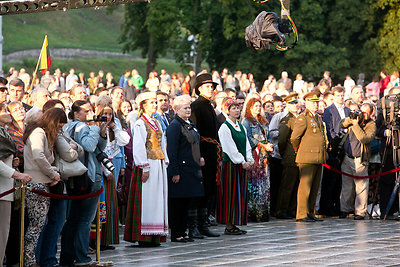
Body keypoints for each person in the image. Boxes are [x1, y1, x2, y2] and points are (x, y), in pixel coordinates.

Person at [60, 100, 107, 267]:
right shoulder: (80, 127)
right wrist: (95, 128)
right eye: (86, 111)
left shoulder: (75, 127)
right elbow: (88, 145)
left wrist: (102, 132)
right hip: (87, 176)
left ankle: (75, 255)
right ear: (76, 114)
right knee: (85, 219)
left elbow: (99, 148)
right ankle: (82, 256)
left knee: (78, 218)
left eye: (91, 110)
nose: (90, 114)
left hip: (82, 175)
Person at [124, 91, 169, 247]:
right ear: (143, 105)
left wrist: (165, 160)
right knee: (147, 199)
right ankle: (144, 235)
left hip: (158, 163)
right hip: (148, 164)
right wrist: (144, 166)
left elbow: (162, 143)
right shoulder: (140, 123)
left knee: (157, 199)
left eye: (155, 102)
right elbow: (138, 146)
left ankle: (155, 235)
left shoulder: (156, 122)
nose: (155, 105)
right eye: (151, 102)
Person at [23, 108, 67, 266]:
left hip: (42, 181)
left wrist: (52, 173)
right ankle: (28, 260)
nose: (59, 129)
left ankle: (30, 259)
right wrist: (52, 174)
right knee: (36, 226)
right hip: (36, 182)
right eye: (59, 125)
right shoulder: (38, 132)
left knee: (39, 224)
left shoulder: (41, 133)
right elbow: (38, 156)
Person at [166, 95, 205, 242]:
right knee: (178, 203)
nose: (188, 110)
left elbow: (195, 143)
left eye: (189, 107)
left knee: (187, 201)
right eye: (185, 108)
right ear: (176, 110)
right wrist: (174, 171)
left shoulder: (190, 123)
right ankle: (177, 233)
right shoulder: (175, 126)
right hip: (181, 170)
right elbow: (172, 151)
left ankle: (184, 231)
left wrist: (200, 156)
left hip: (192, 168)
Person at [0, 104, 32, 266]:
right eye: (4, 111)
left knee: (5, 232)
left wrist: (12, 160)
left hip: (8, 187)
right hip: (3, 187)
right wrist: (17, 173)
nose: (8, 114)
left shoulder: (3, 131)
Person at [190, 73, 220, 238]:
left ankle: (203, 224)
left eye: (212, 86)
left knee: (209, 189)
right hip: (202, 152)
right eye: (208, 86)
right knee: (199, 190)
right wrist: (199, 155)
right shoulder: (196, 106)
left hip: (212, 151)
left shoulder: (209, 105)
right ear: (199, 88)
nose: (211, 89)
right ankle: (193, 226)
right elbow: (195, 133)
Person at [218, 98, 254, 234]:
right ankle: (228, 225)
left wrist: (249, 159)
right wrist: (240, 160)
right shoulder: (225, 127)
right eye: (233, 108)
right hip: (230, 165)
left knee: (240, 194)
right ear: (228, 111)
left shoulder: (241, 127)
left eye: (238, 108)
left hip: (241, 165)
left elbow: (246, 145)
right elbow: (229, 147)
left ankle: (234, 223)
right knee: (230, 194)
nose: (237, 110)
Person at [97, 103, 130, 250]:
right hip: (101, 166)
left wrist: (114, 127)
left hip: (113, 163)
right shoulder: (95, 126)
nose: (108, 117)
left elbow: (125, 140)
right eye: (105, 113)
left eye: (110, 114)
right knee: (101, 203)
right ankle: (97, 239)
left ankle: (107, 239)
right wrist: (105, 170)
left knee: (111, 202)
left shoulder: (114, 127)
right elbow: (96, 150)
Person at [291, 91, 327, 222]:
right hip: (306, 157)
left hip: (318, 157)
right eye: (312, 103)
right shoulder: (303, 118)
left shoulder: (317, 117)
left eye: (316, 103)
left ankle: (311, 212)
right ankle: (301, 214)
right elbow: (294, 138)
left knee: (314, 187)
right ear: (306, 103)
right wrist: (298, 149)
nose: (315, 105)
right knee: (305, 187)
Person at [339, 103, 376, 220]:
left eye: (365, 112)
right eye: (361, 111)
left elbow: (365, 139)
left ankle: (360, 212)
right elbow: (341, 124)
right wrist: (351, 118)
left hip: (359, 158)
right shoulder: (355, 119)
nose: (362, 114)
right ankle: (345, 209)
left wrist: (355, 125)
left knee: (361, 187)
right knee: (347, 186)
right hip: (347, 157)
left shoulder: (371, 125)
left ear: (371, 114)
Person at [320, 86, 350, 217]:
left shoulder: (348, 110)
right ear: (334, 96)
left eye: (342, 95)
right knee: (330, 181)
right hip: (334, 149)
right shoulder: (329, 110)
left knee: (340, 181)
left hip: (346, 148)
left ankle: (339, 207)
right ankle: (327, 207)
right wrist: (336, 142)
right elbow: (329, 129)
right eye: (338, 95)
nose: (341, 97)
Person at [242, 98, 273, 222]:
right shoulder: (247, 121)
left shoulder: (263, 121)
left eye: (259, 106)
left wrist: (269, 145)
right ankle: (253, 213)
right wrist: (262, 144)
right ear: (249, 107)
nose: (258, 108)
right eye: (255, 106)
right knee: (255, 184)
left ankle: (263, 212)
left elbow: (268, 135)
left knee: (265, 185)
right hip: (255, 155)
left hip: (264, 156)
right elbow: (248, 138)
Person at [276, 93, 300, 219]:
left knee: (296, 185)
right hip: (290, 156)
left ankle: (292, 209)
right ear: (287, 106)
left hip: (299, 156)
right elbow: (281, 140)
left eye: (296, 103)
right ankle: (282, 210)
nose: (295, 106)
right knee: (287, 186)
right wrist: (284, 153)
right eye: (292, 104)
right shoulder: (287, 120)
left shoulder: (299, 118)